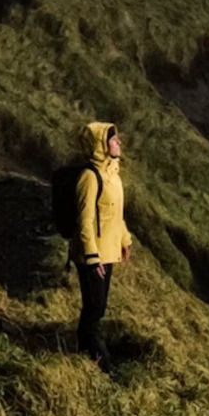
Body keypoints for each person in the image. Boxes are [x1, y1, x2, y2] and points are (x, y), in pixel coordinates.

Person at [75, 120, 133, 365]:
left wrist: (125, 239)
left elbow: (115, 214)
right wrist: (91, 257)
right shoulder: (90, 177)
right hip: (94, 256)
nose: (119, 142)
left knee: (98, 305)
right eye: (113, 139)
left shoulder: (113, 173)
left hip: (108, 253)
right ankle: (97, 356)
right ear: (101, 145)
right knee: (95, 307)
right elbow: (84, 221)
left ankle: (85, 348)